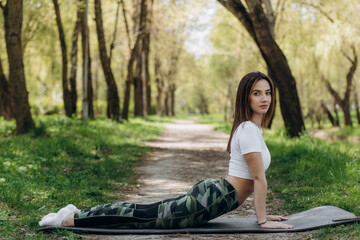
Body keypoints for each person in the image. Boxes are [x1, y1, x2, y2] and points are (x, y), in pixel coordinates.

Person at [39, 71, 293, 229]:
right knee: (141, 216)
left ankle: (74, 213)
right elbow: (258, 179)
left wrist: (265, 215)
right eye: (257, 93)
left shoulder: (251, 129)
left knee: (143, 212)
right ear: (246, 98)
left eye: (268, 93)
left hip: (215, 194)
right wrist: (262, 221)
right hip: (214, 199)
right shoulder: (248, 129)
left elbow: (253, 178)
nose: (264, 98)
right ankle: (69, 219)